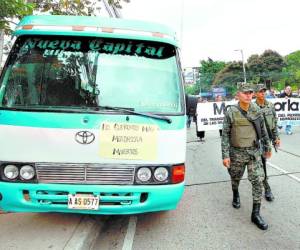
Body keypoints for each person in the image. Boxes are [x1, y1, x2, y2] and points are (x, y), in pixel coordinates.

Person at [221, 82, 272, 230]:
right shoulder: (231, 111)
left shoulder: (256, 109)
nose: (249, 95)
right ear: (238, 94)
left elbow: (263, 131)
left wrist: (267, 147)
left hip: (254, 152)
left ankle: (255, 214)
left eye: (250, 93)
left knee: (258, 181)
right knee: (235, 177)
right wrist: (225, 155)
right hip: (236, 153)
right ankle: (236, 193)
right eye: (245, 93)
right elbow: (225, 135)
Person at [254, 84, 280, 201]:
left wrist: (276, 137)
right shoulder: (251, 106)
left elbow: (273, 122)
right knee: (259, 163)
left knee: (263, 162)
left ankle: (266, 187)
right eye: (260, 91)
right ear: (255, 93)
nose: (262, 93)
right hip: (255, 140)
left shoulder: (270, 105)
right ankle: (265, 186)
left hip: (267, 139)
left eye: (264, 91)